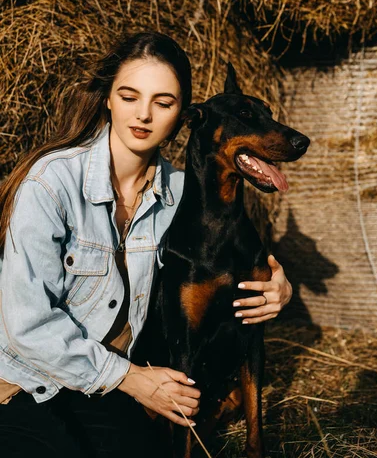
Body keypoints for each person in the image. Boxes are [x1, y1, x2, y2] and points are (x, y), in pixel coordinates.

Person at [0, 31, 292, 457]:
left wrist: (278, 288)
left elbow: (224, 259)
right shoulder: (51, 184)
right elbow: (26, 324)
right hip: (28, 379)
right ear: (108, 99)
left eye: (163, 102)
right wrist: (133, 379)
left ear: (183, 114)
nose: (143, 115)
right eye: (129, 96)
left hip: (110, 389)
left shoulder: (183, 192)